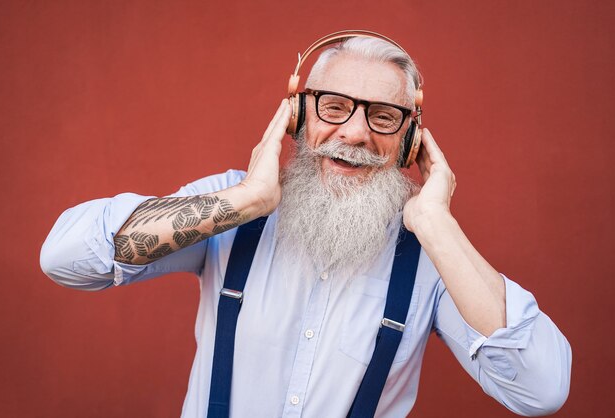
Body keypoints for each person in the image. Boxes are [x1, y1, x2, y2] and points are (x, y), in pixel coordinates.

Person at [40, 34, 571, 417]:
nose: (356, 134)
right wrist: (247, 200)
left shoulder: (432, 248)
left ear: (411, 139)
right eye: (334, 108)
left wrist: (437, 224)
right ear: (296, 117)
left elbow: (540, 390)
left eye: (384, 117)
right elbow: (65, 258)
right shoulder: (231, 203)